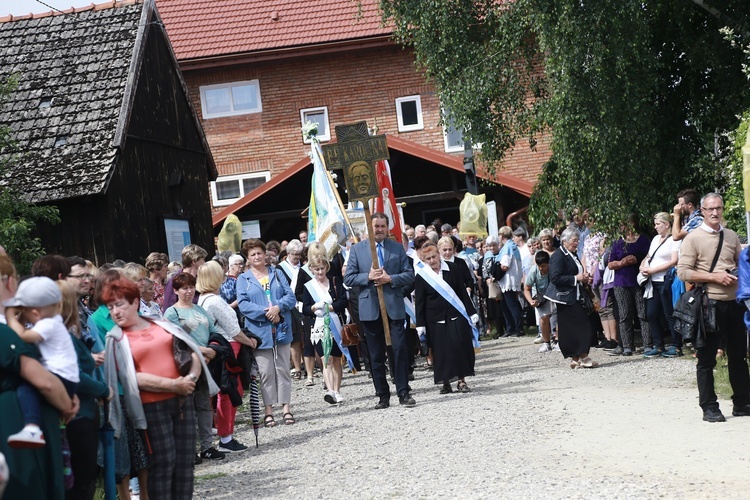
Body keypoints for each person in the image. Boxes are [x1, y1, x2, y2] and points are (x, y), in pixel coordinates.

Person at [102, 278, 217, 499]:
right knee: (162, 464)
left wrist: (190, 379)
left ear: (135, 302)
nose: (115, 312)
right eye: (110, 307)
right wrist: (174, 385)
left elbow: (191, 353)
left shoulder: (160, 324)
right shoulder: (116, 338)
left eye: (120, 304)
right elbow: (129, 377)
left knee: (185, 466)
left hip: (182, 401)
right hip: (151, 407)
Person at [676, 193, 750, 422]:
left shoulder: (731, 236)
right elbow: (683, 272)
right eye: (710, 209)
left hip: (734, 304)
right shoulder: (693, 238)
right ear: (702, 211)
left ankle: (742, 402)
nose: (715, 213)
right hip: (709, 304)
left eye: (718, 208)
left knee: (738, 356)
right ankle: (709, 406)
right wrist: (714, 277)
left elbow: (741, 263)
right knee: (707, 359)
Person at [344, 212, 416, 409]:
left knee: (400, 350)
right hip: (370, 308)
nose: (380, 230)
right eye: (376, 226)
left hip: (393, 306)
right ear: (370, 227)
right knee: (376, 355)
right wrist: (367, 276)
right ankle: (383, 395)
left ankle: (403, 391)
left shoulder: (396, 248)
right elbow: (348, 279)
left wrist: (390, 279)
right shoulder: (358, 250)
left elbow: (409, 275)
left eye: (383, 226)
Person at [4, 277, 79, 447]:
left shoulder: (48, 325)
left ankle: (32, 427)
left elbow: (23, 336)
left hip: (60, 377)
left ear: (36, 313)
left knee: (27, 387)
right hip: (68, 377)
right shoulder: (54, 321)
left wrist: (10, 315)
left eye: (25, 311)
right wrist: (22, 316)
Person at [58, 280, 112, 500]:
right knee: (81, 479)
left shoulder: (66, 333)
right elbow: (74, 374)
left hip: (84, 408)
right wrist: (102, 390)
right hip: (77, 413)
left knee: (84, 478)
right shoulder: (61, 336)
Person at [196, 261, 258, 453]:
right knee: (229, 393)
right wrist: (250, 342)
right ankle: (226, 437)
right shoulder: (214, 301)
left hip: (223, 348)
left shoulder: (204, 300)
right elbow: (233, 330)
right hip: (229, 349)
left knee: (228, 392)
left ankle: (226, 435)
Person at [163, 273, 225, 461]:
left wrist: (212, 349)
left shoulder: (200, 310)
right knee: (186, 408)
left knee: (205, 406)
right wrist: (202, 352)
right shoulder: (171, 313)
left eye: (191, 287)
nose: (189, 291)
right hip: (185, 365)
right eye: (184, 288)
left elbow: (213, 332)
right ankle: (189, 450)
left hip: (205, 364)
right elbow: (176, 339)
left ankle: (207, 446)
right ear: (175, 291)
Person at [237, 239, 297, 426]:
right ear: (247, 258)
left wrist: (278, 308)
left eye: (259, 253)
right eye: (252, 254)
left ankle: (286, 408)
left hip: (281, 328)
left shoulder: (277, 273)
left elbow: (291, 297)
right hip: (260, 332)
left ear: (265, 254)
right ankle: (268, 410)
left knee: (283, 369)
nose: (257, 257)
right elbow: (244, 305)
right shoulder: (243, 279)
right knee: (266, 372)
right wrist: (268, 313)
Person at [415, 242, 477, 394]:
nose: (432, 261)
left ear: (439, 255)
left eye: (434, 256)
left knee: (459, 347)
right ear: (424, 260)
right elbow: (420, 302)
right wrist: (420, 324)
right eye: (428, 258)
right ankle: (446, 383)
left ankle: (462, 381)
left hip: (456, 314)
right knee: (441, 351)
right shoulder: (422, 276)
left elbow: (462, 292)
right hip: (435, 319)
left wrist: (471, 312)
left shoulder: (453, 269)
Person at [544, 227, 598, 369]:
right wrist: (576, 278)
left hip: (576, 295)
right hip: (565, 297)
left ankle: (575, 358)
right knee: (582, 325)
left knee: (572, 328)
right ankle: (583, 356)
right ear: (564, 241)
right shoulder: (558, 255)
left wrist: (584, 278)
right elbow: (555, 278)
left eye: (577, 240)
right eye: (574, 240)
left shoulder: (571, 254)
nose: (577, 243)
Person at [302, 256, 348, 404]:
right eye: (316, 269)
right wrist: (314, 307)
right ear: (311, 270)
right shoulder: (308, 286)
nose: (320, 271)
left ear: (326, 268)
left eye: (322, 268)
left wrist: (330, 307)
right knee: (325, 359)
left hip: (335, 323)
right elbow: (305, 309)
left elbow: (343, 301)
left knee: (335, 359)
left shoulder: (335, 281)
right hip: (319, 326)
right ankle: (330, 391)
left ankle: (337, 390)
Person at [607, 215, 651, 356]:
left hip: (639, 281)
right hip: (621, 283)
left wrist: (642, 261)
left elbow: (651, 256)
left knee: (643, 314)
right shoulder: (617, 242)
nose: (624, 226)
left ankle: (648, 344)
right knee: (625, 315)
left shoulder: (644, 240)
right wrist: (622, 263)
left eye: (627, 223)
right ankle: (627, 345)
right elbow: (610, 264)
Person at [638, 212, 679, 357]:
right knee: (651, 314)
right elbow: (649, 256)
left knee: (669, 313)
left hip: (665, 281)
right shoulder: (655, 239)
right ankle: (658, 344)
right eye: (655, 224)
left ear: (667, 224)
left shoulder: (674, 239)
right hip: (652, 281)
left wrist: (653, 270)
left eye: (658, 224)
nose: (655, 227)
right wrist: (643, 266)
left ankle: (676, 345)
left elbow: (674, 261)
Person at [278, 239, 305, 381]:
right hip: (290, 306)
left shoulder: (305, 267)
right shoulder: (280, 269)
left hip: (304, 304)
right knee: (294, 338)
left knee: (305, 337)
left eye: (299, 254)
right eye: (295, 254)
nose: (297, 257)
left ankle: (308, 364)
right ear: (288, 253)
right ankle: (297, 367)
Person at [523, 251, 558, 353]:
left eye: (543, 266)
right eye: (539, 266)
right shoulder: (534, 271)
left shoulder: (553, 269)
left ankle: (558, 341)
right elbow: (526, 288)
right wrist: (531, 301)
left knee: (558, 317)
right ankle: (546, 343)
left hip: (553, 293)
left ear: (548, 263)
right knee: (544, 318)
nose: (541, 268)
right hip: (540, 296)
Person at [497, 226, 524, 337]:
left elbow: (505, 265)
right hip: (513, 279)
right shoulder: (513, 246)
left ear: (501, 236)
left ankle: (518, 328)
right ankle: (511, 327)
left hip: (508, 280)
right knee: (507, 305)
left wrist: (496, 270)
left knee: (511, 305)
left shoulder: (507, 247)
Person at [162, 244, 208, 311]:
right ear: (194, 261)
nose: (204, 262)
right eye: (203, 259)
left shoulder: (202, 279)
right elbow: (168, 307)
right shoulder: (175, 280)